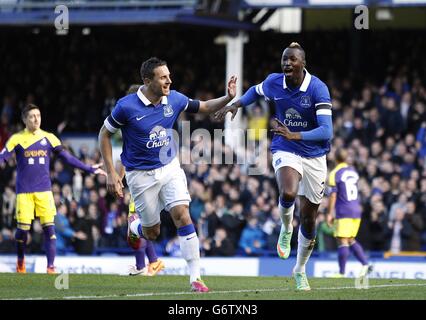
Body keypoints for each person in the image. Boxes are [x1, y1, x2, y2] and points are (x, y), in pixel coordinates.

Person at [99, 57, 236, 292]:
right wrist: (111, 173)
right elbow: (104, 134)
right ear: (147, 80)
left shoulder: (174, 98)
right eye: (163, 77)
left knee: (182, 214)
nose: (169, 81)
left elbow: (203, 107)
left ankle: (196, 278)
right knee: (152, 233)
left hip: (169, 166)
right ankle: (135, 228)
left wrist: (228, 98)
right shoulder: (126, 106)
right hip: (140, 175)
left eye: (169, 76)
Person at [215, 42, 333, 290]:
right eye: (284, 59)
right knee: (288, 192)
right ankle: (286, 227)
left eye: (292, 59)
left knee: (310, 219)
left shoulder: (317, 89)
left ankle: (300, 269)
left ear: (303, 63)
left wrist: (297, 135)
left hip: (314, 155)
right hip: (285, 147)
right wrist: (236, 104)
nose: (287, 63)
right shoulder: (273, 82)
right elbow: (255, 92)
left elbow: (326, 131)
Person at [0, 104, 106, 273]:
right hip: (24, 192)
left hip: (44, 191)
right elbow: (3, 157)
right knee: (22, 232)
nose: (36, 119)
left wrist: (89, 168)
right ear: (24, 119)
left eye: (38, 115)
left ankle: (51, 267)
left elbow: (68, 158)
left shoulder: (49, 138)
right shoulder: (16, 138)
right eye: (32, 116)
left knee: (50, 229)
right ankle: (20, 261)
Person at [119, 84, 165, 277]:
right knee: (138, 224)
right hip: (142, 182)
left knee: (135, 224)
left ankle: (148, 264)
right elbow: (126, 155)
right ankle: (148, 264)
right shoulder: (137, 125)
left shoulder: (139, 125)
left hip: (145, 183)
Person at [326, 148, 372, 278]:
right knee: (351, 239)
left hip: (344, 210)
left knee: (342, 240)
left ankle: (341, 272)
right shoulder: (353, 171)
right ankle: (365, 264)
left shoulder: (335, 173)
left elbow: (333, 196)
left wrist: (329, 213)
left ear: (335, 158)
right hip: (356, 209)